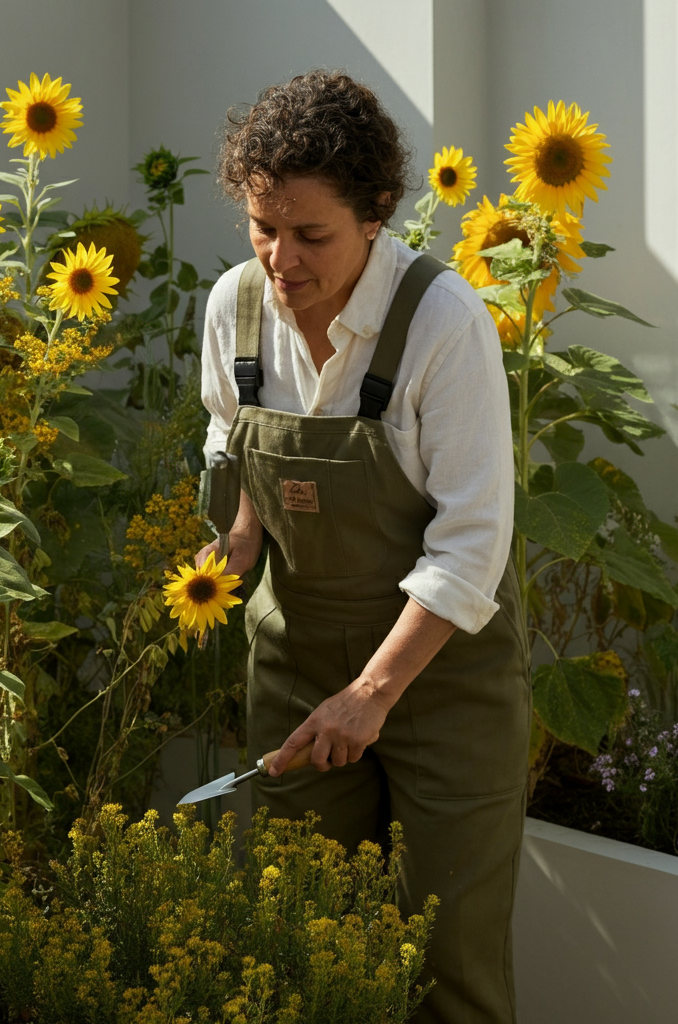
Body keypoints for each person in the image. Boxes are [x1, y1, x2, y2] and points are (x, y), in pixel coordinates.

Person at [196, 69, 531, 1024]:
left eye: (311, 236)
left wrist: (372, 695)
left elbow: (472, 545)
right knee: (305, 944)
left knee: (448, 959)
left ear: (377, 212)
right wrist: (231, 551)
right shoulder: (234, 307)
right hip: (297, 671)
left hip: (440, 684)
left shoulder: (441, 321)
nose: (280, 260)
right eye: (262, 227)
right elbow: (236, 445)